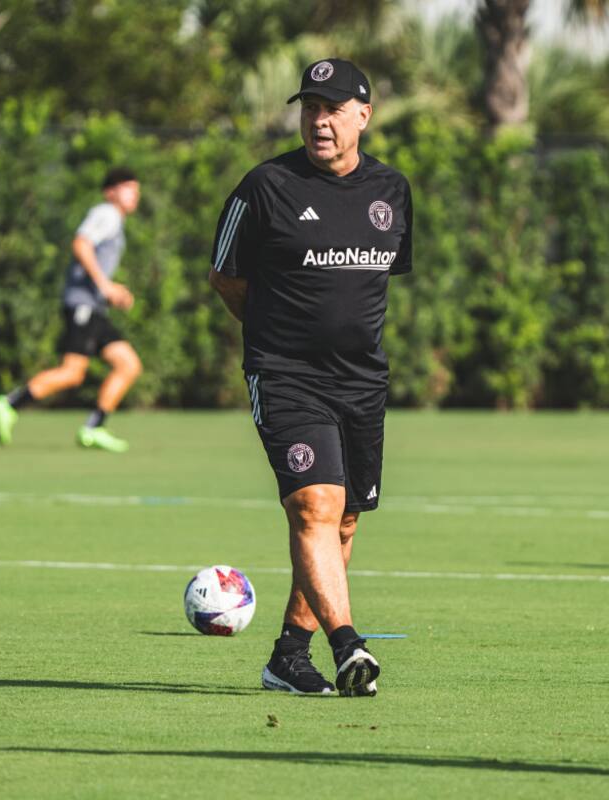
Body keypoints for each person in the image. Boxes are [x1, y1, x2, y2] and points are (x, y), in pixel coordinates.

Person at [208, 58, 413, 697]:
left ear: (363, 115)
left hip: (362, 382)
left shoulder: (392, 191)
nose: (318, 121)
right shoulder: (264, 187)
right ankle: (348, 644)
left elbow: (374, 286)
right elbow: (225, 275)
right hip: (287, 375)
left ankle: (288, 657)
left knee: (344, 519)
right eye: (308, 108)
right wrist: (275, 337)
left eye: (331, 109)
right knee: (314, 505)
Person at [0, 167, 143, 452]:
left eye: (136, 189)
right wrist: (105, 286)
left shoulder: (115, 220)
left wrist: (111, 291)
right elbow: (81, 244)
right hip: (82, 305)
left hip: (94, 307)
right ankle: (9, 403)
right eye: (128, 188)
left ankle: (93, 428)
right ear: (110, 192)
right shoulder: (106, 214)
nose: (135, 194)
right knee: (72, 372)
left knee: (128, 364)